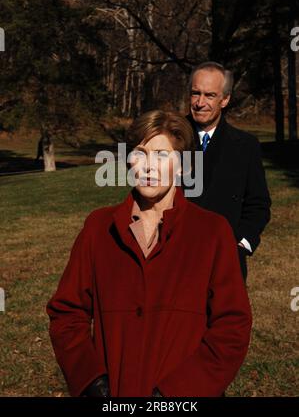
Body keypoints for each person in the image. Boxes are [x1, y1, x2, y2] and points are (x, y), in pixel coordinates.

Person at [46, 109, 252, 397]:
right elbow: (67, 313)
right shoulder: (98, 227)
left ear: (184, 166)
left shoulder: (213, 232)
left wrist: (177, 393)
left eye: (162, 155)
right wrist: (91, 382)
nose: (148, 166)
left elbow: (232, 327)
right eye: (140, 153)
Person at [185, 62, 271, 281]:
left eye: (210, 95)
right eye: (196, 93)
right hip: (175, 260)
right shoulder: (169, 137)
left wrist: (241, 244)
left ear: (225, 100)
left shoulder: (245, 146)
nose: (200, 103)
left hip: (224, 262)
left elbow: (258, 204)